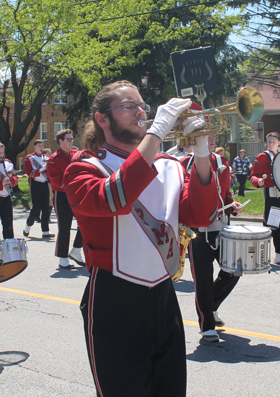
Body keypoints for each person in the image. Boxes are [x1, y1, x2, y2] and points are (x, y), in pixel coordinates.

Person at [63, 81, 218, 396]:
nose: (141, 112)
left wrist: (202, 152)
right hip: (113, 296)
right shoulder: (84, 168)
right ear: (102, 119)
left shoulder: (170, 165)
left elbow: (202, 215)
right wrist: (158, 130)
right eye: (129, 106)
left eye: (143, 106)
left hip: (163, 294)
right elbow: (115, 197)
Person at [181, 135, 242, 343]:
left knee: (233, 270)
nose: (212, 138)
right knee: (203, 279)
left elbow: (225, 194)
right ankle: (207, 325)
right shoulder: (185, 163)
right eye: (206, 134)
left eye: (213, 134)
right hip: (199, 231)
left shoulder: (222, 162)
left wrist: (232, 204)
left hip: (222, 226)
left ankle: (211, 305)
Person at [47, 129, 84, 269]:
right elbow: (57, 182)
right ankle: (63, 258)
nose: (71, 141)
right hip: (62, 195)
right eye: (68, 139)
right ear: (60, 141)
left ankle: (76, 250)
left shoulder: (77, 155)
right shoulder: (53, 159)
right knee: (65, 227)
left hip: (77, 194)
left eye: (72, 138)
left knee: (86, 222)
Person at [250, 132, 280, 263]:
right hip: (272, 193)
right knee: (272, 224)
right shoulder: (262, 157)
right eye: (269, 141)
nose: (271, 143)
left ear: (279, 142)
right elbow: (252, 176)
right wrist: (258, 181)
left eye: (274, 141)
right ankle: (269, 253)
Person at [23, 140, 55, 238]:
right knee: (36, 208)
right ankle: (28, 226)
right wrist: (41, 169)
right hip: (35, 183)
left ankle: (45, 230)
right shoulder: (29, 158)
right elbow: (29, 173)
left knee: (46, 208)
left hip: (44, 183)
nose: (41, 148)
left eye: (42, 146)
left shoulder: (46, 158)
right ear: (34, 147)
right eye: (39, 146)